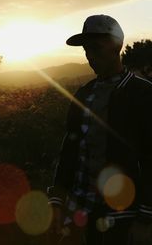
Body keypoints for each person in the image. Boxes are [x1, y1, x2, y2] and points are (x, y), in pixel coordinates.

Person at [47, 15, 152, 245]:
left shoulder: (142, 94)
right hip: (81, 212)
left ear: (117, 45)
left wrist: (145, 217)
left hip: (123, 215)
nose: (90, 56)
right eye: (86, 50)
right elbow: (70, 148)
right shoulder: (84, 94)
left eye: (96, 48)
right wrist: (57, 199)